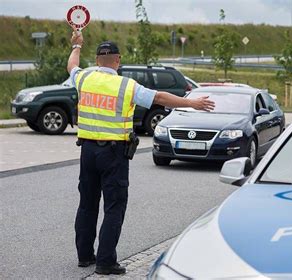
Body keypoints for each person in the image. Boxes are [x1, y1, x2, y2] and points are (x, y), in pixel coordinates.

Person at [67, 30, 214, 275]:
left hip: (88, 151)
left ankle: (84, 256)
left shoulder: (84, 78)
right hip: (113, 154)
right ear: (118, 60)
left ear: (96, 61)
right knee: (114, 206)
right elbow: (159, 97)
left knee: (87, 204)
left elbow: (71, 65)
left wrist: (76, 44)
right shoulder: (126, 85)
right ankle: (105, 261)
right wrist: (192, 103)